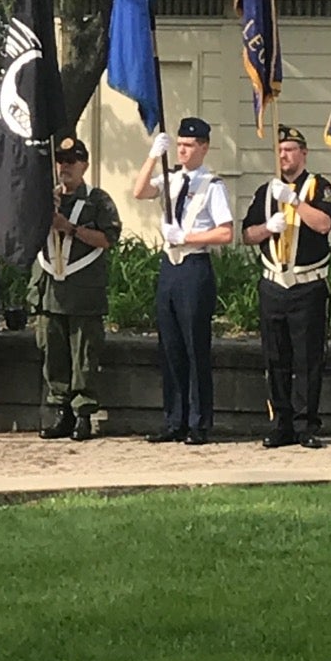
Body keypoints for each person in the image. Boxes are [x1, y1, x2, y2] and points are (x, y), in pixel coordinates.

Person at [133, 117, 233, 445]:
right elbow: (139, 190)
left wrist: (187, 236)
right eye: (179, 145)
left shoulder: (212, 185)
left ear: (204, 147)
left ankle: (198, 421)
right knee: (170, 346)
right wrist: (151, 156)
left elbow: (225, 232)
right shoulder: (170, 178)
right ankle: (174, 419)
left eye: (189, 145)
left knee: (194, 346)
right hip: (170, 266)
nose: (182, 151)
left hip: (194, 266)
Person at [241, 125, 331, 450]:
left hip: (307, 286)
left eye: (290, 149)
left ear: (303, 153)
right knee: (275, 358)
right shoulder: (265, 191)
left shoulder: (319, 188)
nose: (284, 155)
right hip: (273, 285)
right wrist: (267, 228)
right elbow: (247, 235)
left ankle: (306, 425)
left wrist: (295, 202)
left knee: (308, 360)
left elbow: (324, 224)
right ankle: (280, 423)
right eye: (280, 150)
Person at [32, 136, 122, 441]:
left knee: (83, 356)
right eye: (60, 161)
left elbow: (108, 239)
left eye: (71, 162)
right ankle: (62, 413)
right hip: (51, 292)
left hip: (83, 293)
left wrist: (68, 227)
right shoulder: (44, 198)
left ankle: (84, 414)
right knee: (53, 354)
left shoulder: (97, 200)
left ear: (84, 164)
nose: (64, 167)